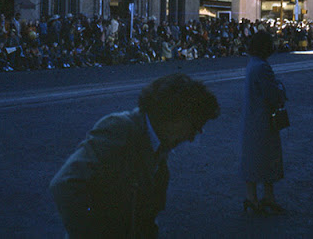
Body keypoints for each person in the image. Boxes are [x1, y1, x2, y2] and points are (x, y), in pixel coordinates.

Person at [49, 73, 220, 238]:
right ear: (174, 114)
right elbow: (65, 184)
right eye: (194, 126)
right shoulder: (120, 129)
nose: (191, 137)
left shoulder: (158, 146)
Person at [241, 30, 287, 214]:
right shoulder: (262, 66)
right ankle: (265, 197)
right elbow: (273, 94)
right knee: (267, 158)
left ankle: (253, 197)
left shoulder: (252, 64)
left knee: (253, 158)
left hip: (252, 118)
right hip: (263, 120)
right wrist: (281, 87)